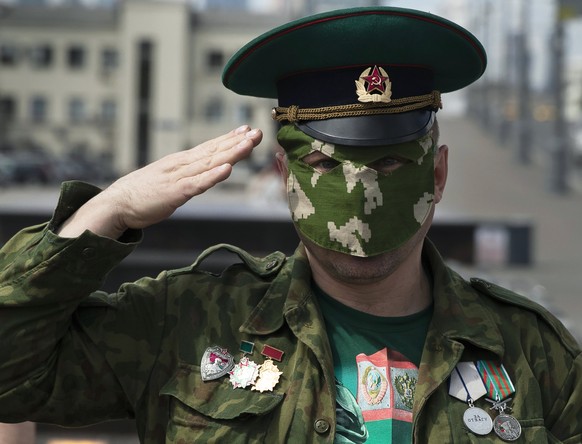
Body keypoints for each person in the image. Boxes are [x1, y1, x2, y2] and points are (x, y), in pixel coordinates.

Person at [0, 6, 581, 443]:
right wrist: (107, 212)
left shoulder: (529, 352)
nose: (359, 201)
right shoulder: (187, 324)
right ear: (284, 174)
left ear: (437, 175)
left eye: (389, 163)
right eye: (326, 165)